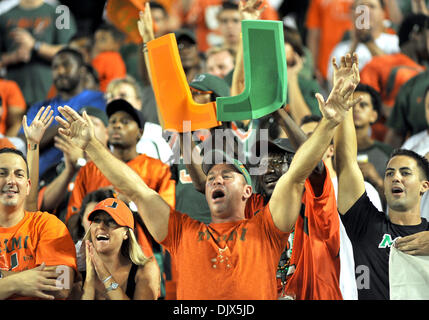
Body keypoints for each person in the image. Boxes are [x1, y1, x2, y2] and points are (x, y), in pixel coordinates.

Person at [55, 48, 361, 298]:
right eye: (212, 175)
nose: (216, 177)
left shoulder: (267, 229)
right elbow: (137, 189)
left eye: (227, 174)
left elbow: (297, 174)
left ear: (247, 191)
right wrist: (92, 146)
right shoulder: (183, 233)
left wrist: (330, 123)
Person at [334, 55, 429, 300]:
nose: (395, 177)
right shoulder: (365, 224)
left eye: (406, 173)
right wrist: (343, 102)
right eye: (389, 173)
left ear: (424, 186)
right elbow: (345, 163)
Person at [65, 98, 175, 224]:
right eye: (112, 122)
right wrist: (95, 203)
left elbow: (168, 219)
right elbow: (72, 220)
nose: (117, 125)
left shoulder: (159, 170)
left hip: (142, 243)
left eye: (125, 122)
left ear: (140, 132)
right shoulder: (89, 169)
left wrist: (130, 204)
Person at [0, 147, 76, 300]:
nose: (11, 181)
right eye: (2, 173)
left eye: (19, 174)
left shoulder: (48, 225)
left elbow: (62, 288)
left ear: (28, 186)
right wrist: (17, 282)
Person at [18, 47, 106, 178]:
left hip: (77, 176)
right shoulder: (40, 107)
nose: (60, 71)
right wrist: (64, 125)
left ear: (82, 71)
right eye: (55, 67)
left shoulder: (98, 99)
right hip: (35, 179)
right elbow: (22, 142)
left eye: (66, 65)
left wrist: (39, 135)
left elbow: (87, 135)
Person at [72, 197, 160, 300]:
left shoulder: (145, 269)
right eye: (97, 220)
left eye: (111, 221)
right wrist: (90, 280)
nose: (100, 226)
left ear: (126, 233)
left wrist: (105, 276)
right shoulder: (76, 267)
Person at [0, 0, 77, 106]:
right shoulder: (5, 14)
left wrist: (35, 45)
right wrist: (13, 57)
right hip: (13, 98)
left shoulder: (59, 12)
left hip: (51, 93)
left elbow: (70, 53)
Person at [327, 0, 400, 85]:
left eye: (371, 6)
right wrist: (355, 43)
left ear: (382, 13)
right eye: (361, 6)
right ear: (352, 14)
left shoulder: (394, 42)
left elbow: (395, 77)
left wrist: (369, 41)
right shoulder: (340, 49)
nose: (365, 11)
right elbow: (335, 85)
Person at [352, 83, 393, 204]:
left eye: (363, 105)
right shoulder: (332, 150)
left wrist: (377, 179)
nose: (356, 109)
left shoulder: (389, 153)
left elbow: (398, 200)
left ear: (374, 116)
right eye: (352, 104)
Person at [305, 0, 353, 84]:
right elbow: (313, 34)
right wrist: (313, 67)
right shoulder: (317, 1)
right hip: (325, 68)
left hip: (359, 63)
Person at [91, 23, 127, 93]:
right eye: (95, 40)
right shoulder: (117, 57)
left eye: (103, 39)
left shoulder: (103, 58)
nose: (97, 43)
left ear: (117, 43)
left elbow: (92, 76)